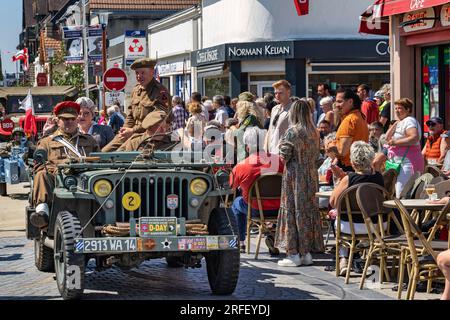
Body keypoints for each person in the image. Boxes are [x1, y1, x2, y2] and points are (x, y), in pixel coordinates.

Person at [30, 101, 99, 228]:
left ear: (77, 120)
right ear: (57, 121)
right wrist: (58, 170)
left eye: (72, 119)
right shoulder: (47, 142)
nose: (69, 122)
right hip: (57, 180)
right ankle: (42, 212)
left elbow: (99, 161)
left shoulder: (89, 140)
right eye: (65, 119)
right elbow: (39, 165)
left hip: (86, 179)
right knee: (41, 174)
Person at [275, 99, 324, 267]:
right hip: (311, 176)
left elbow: (284, 156)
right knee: (307, 211)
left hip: (295, 176)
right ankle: (307, 252)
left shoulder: (292, 132)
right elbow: (319, 158)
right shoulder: (314, 131)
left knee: (292, 210)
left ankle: (293, 253)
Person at [329, 141, 386, 275]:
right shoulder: (378, 178)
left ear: (353, 162)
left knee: (333, 214)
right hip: (377, 226)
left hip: (353, 226)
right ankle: (369, 253)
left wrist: (339, 180)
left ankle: (343, 258)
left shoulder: (349, 179)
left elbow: (333, 201)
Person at [229, 127, 284, 253]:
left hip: (255, 210)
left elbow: (231, 186)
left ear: (247, 147)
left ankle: (241, 242)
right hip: (280, 208)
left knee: (236, 204)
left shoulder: (242, 166)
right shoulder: (279, 161)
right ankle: (271, 233)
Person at [102, 58, 171, 152]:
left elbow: (158, 120)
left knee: (119, 155)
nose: (139, 76)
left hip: (149, 133)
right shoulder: (136, 90)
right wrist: (125, 129)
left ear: (152, 72)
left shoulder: (160, 92)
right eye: (137, 73)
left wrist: (132, 131)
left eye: (142, 73)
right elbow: (130, 115)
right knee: (105, 152)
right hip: (131, 131)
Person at [385, 98, 424, 198]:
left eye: (400, 108)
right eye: (396, 108)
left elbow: (414, 137)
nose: (397, 110)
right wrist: (394, 125)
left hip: (408, 163)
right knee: (398, 193)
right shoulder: (401, 122)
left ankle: (405, 213)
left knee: (401, 193)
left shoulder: (409, 120)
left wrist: (395, 142)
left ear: (408, 110)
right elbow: (387, 138)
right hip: (399, 163)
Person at [334, 88, 369, 172]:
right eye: (336, 102)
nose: (336, 105)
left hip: (348, 168)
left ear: (350, 102)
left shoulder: (349, 120)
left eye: (339, 101)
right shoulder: (359, 116)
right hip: (359, 165)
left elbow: (342, 152)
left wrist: (330, 145)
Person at [264, 80, 292, 155]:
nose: (277, 95)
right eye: (275, 93)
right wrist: (266, 147)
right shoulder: (274, 109)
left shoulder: (293, 109)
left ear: (288, 92)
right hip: (271, 150)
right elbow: (270, 129)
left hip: (284, 153)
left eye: (280, 93)